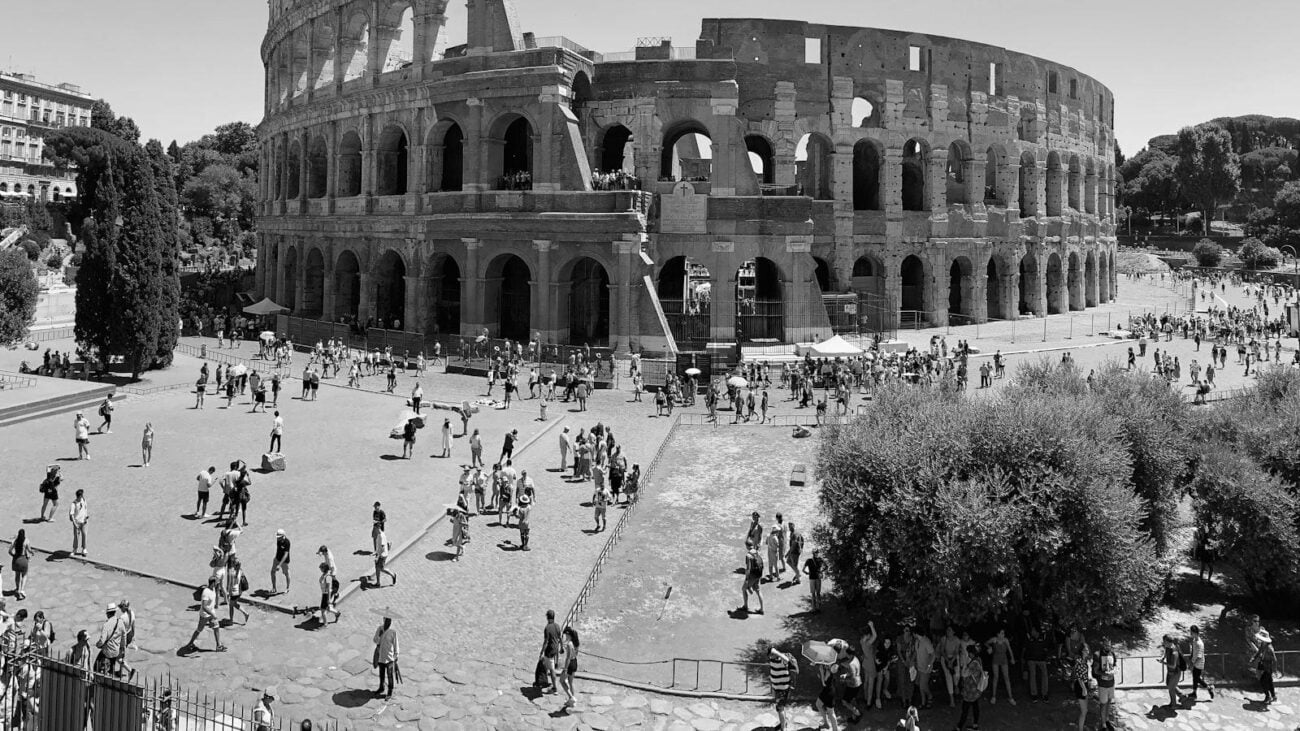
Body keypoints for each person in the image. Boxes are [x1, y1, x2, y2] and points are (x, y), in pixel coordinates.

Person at [767, 641, 798, 731]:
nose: (769, 656)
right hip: (777, 688)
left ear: (775, 653)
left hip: (782, 689)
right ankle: (783, 723)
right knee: (781, 708)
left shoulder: (783, 660)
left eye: (771, 654)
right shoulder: (772, 660)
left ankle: (783, 728)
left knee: (780, 709)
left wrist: (776, 652)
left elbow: (787, 660)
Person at [954, 642, 984, 730]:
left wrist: (964, 664)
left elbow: (964, 674)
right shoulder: (979, 660)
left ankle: (959, 726)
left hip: (970, 690)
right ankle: (975, 725)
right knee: (975, 706)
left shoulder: (973, 663)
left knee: (965, 709)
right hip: (975, 689)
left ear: (971, 653)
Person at [985, 627, 1016, 704]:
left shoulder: (1005, 640)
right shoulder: (994, 639)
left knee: (1006, 677)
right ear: (998, 634)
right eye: (1002, 633)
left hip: (1004, 659)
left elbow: (1010, 650)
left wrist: (1012, 658)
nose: (1003, 634)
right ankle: (993, 696)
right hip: (995, 659)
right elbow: (986, 643)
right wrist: (990, 647)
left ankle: (1010, 697)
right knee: (996, 677)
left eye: (1003, 633)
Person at [94, 603, 127, 675]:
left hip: (107, 652)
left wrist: (97, 645)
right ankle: (111, 673)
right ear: (115, 612)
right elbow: (124, 636)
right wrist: (122, 647)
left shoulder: (106, 625)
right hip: (116, 651)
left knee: (96, 666)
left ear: (107, 614)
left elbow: (102, 641)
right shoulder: (120, 622)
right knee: (112, 665)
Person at [1093, 637, 1118, 731]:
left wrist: (1115, 670)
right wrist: (1104, 674)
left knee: (1109, 702)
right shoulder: (1097, 654)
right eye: (1106, 644)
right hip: (1102, 684)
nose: (1108, 646)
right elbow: (1095, 670)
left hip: (1111, 683)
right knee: (1103, 704)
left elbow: (1115, 665)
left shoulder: (1112, 653)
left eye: (1109, 644)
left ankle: (1107, 720)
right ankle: (1103, 724)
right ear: (1102, 644)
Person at [373, 615, 400, 699]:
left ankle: (390, 692)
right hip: (381, 656)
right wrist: (379, 636)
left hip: (390, 658)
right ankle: (381, 687)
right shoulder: (380, 629)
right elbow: (375, 640)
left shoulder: (393, 632)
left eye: (389, 621)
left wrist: (396, 656)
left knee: (390, 675)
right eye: (386, 620)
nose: (387, 622)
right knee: (381, 674)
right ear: (384, 620)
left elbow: (396, 645)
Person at [1252, 629, 1277, 704]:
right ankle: (1273, 696)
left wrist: (1274, 670)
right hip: (1264, 665)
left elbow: (1275, 660)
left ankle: (1267, 696)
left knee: (1263, 681)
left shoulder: (1269, 649)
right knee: (1269, 681)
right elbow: (1259, 651)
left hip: (1268, 667)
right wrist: (1254, 658)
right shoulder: (1263, 644)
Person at [1188, 624, 1213, 701]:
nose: (1190, 634)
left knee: (1197, 678)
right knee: (1195, 678)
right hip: (1195, 662)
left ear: (1195, 633)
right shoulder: (1194, 640)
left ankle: (1209, 687)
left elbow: (1199, 656)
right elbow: (1194, 652)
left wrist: (1193, 664)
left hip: (1198, 664)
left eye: (1191, 633)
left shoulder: (1200, 643)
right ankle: (1194, 693)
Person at [1158, 633, 1184, 708]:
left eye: (1164, 642)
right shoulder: (1168, 647)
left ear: (1169, 642)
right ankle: (1181, 695)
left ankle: (1173, 704)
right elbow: (1166, 653)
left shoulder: (1174, 652)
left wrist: (1163, 663)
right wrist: (1162, 658)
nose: (1163, 643)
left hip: (1175, 672)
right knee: (1168, 684)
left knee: (1171, 688)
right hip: (1170, 671)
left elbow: (1173, 665)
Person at [540, 609, 562, 693]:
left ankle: (554, 688)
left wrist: (541, 651)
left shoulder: (547, 628)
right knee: (548, 665)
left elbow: (546, 642)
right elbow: (560, 637)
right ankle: (545, 681)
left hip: (549, 651)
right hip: (556, 649)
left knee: (551, 669)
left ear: (547, 618)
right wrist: (562, 647)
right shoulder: (557, 626)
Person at [739, 540, 764, 615]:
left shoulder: (748, 555)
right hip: (759, 574)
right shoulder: (756, 552)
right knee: (758, 591)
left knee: (743, 589)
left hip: (752, 575)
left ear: (747, 546)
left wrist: (746, 579)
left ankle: (745, 606)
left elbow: (748, 568)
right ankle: (762, 609)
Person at [559, 626, 580, 711]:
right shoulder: (576, 642)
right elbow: (576, 653)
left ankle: (571, 698)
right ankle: (572, 699)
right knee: (570, 682)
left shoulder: (569, 644)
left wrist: (565, 669)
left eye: (565, 635)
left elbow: (568, 657)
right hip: (575, 662)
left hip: (570, 664)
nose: (565, 636)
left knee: (561, 681)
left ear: (568, 634)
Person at [8, 529, 32, 600]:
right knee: (24, 575)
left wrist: (14, 556)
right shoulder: (26, 541)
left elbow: (9, 551)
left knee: (17, 575)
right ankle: (22, 589)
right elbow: (29, 550)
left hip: (16, 560)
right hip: (23, 559)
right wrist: (32, 553)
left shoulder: (15, 541)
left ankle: (18, 589)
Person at [226, 556, 250, 624]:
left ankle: (231, 620)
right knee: (234, 604)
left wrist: (228, 593)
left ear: (233, 564)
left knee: (231, 606)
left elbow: (230, 584)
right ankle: (245, 614)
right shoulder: (240, 571)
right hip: (239, 591)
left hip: (234, 592)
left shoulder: (232, 572)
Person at [69, 489, 89, 556]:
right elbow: (72, 515)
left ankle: (84, 549)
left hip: (84, 521)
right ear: (79, 496)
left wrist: (86, 516)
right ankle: (75, 549)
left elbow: (85, 508)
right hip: (77, 522)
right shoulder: (74, 504)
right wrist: (75, 524)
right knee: (76, 537)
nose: (83, 496)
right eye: (82, 495)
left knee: (84, 535)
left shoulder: (83, 500)